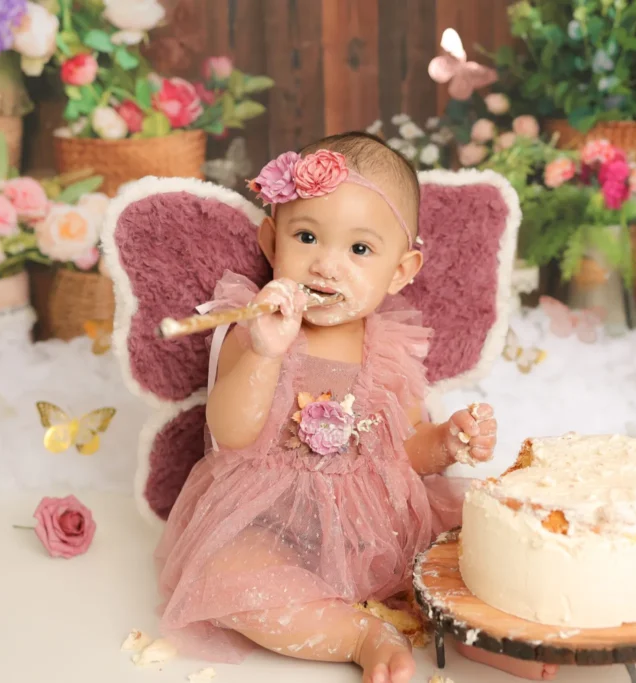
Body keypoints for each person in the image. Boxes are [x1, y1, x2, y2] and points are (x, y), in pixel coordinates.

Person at [153, 132, 501, 683]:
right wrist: (264, 355)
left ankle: (483, 637)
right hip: (272, 523)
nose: (326, 266)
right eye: (307, 237)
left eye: (359, 250)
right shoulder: (258, 330)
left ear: (401, 270)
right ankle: (357, 634)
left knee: (470, 554)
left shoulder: (388, 349)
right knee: (226, 573)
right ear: (272, 243)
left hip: (377, 530)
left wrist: (446, 444)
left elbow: (405, 451)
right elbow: (231, 432)